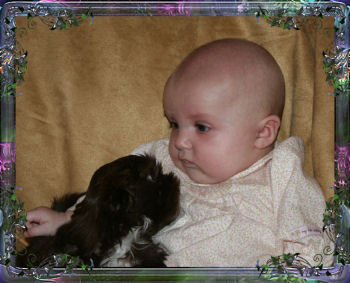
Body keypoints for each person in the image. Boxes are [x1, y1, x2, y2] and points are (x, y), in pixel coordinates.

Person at [24, 38, 333, 267]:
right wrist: (67, 219)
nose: (180, 141)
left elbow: (312, 247)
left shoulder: (282, 172)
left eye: (201, 127)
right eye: (174, 123)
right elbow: (110, 199)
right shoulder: (161, 162)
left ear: (263, 133)